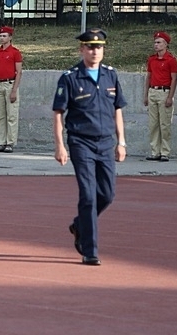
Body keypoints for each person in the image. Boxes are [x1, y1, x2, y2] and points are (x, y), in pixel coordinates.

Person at [52, 28, 127, 266]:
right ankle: (89, 249)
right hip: (80, 142)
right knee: (88, 195)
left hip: (105, 143)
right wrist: (60, 146)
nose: (95, 51)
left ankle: (79, 224)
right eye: (90, 47)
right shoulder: (70, 77)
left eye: (99, 47)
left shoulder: (110, 75)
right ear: (81, 49)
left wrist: (121, 142)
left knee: (107, 194)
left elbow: (117, 110)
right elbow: (58, 113)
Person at [143, 31, 177, 161]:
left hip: (164, 92)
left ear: (165, 44)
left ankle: (165, 152)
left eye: (159, 42)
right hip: (153, 91)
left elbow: (174, 79)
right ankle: (155, 151)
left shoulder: (171, 60)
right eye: (155, 42)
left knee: (165, 124)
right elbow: (148, 77)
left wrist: (170, 96)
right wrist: (146, 95)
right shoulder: (152, 59)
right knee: (153, 124)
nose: (156, 45)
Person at [0, 26, 23, 153]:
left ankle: (10, 142)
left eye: (4, 36)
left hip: (10, 84)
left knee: (11, 115)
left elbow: (19, 72)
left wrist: (14, 90)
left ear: (10, 37)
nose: (2, 38)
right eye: (1, 36)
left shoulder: (15, 52)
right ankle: (1, 142)